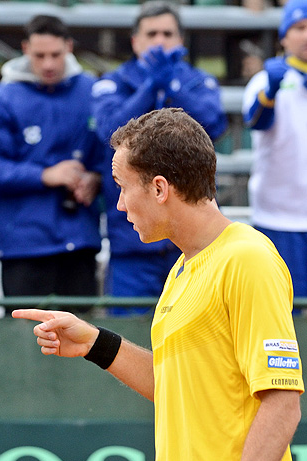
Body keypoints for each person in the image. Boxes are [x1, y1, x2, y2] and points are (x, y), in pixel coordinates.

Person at [14, 108, 303, 461]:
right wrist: (94, 343)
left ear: (160, 188)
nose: (119, 204)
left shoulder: (247, 259)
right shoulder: (183, 267)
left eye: (122, 187)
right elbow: (177, 389)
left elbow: (282, 404)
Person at [91, 0, 227, 314]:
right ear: (135, 41)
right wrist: (152, 84)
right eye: (151, 34)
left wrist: (172, 84)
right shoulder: (113, 82)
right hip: (132, 239)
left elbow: (212, 125)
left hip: (195, 240)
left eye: (168, 33)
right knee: (130, 335)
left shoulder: (197, 81)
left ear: (180, 40)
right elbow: (110, 131)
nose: (160, 41)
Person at [0, 15, 103, 300]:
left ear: (69, 47)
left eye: (55, 54)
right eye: (39, 55)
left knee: (83, 340)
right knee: (24, 341)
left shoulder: (92, 92)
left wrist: (97, 179)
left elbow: (113, 154)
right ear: (25, 48)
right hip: (23, 246)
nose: (48, 64)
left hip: (80, 242)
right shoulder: (1, 99)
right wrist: (46, 175)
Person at [243, 0, 307, 312]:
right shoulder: (265, 79)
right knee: (282, 312)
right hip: (279, 219)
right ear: (284, 36)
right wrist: (271, 89)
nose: (306, 36)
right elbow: (255, 121)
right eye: (299, 28)